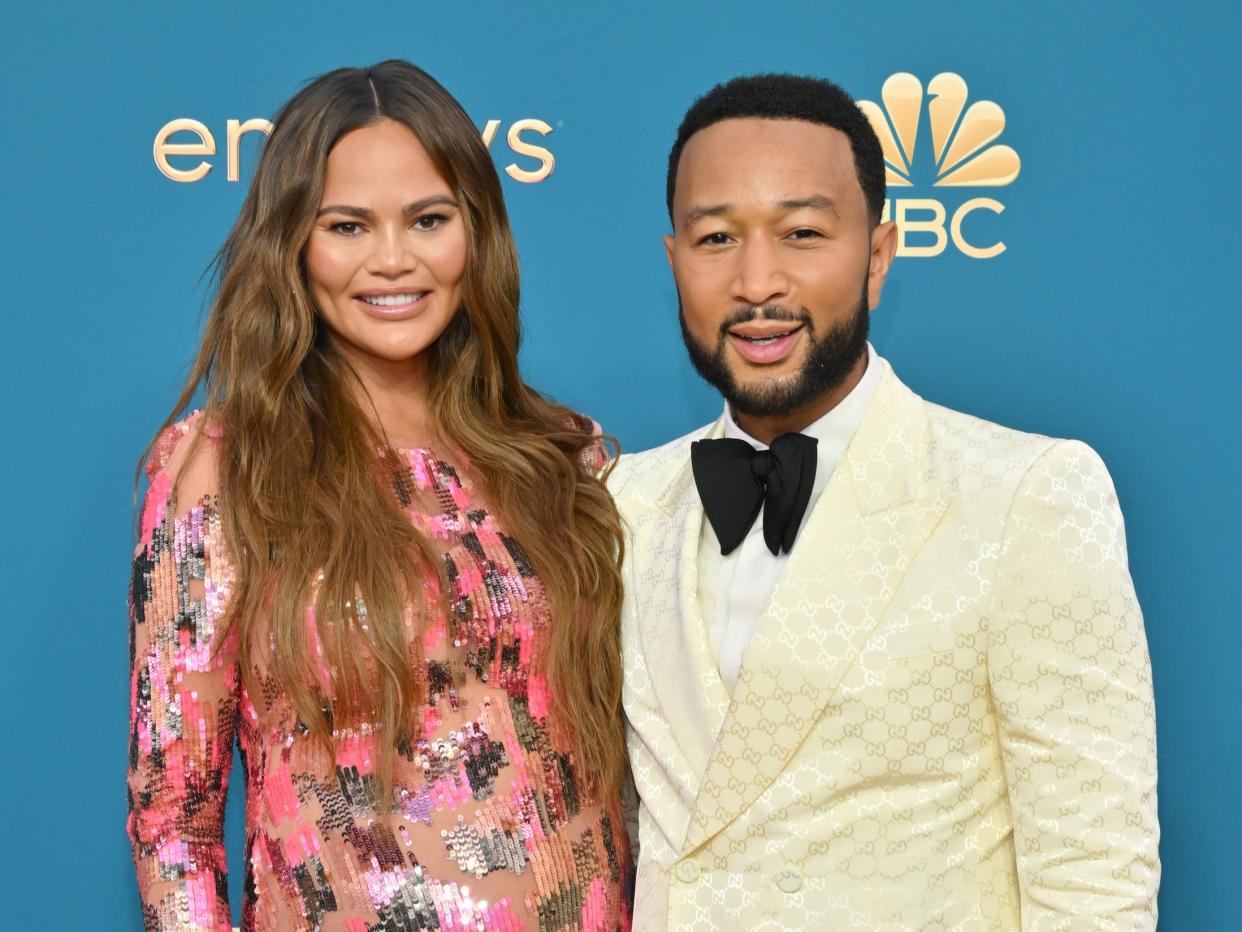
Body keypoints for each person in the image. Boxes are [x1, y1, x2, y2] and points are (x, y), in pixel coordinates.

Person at [609, 73, 1159, 930]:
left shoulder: (1025, 495)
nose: (759, 281)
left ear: (878, 254)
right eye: (717, 238)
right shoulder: (621, 503)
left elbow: (1096, 875)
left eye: (802, 233)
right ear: (674, 261)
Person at [127, 60, 632, 932]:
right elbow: (173, 815)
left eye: (428, 220)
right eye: (348, 225)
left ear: (475, 234)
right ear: (293, 242)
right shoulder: (222, 466)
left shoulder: (563, 456)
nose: (392, 259)